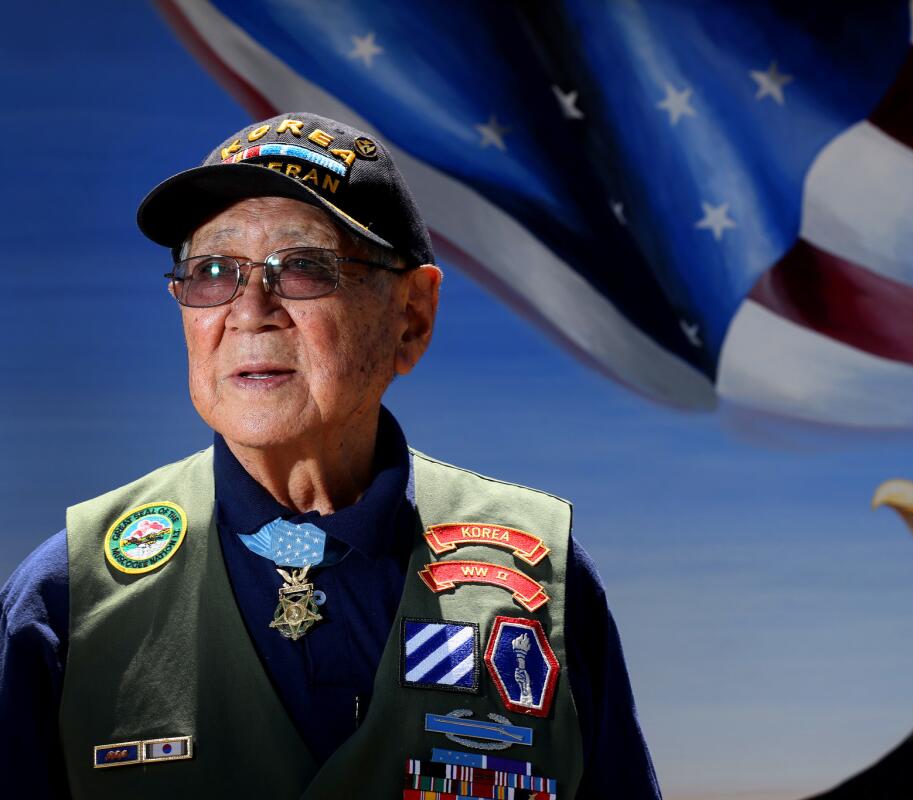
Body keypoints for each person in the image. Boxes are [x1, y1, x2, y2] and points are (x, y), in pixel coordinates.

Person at [0, 112, 660, 799]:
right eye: (212, 271)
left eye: (304, 268)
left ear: (413, 316)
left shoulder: (545, 577)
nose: (249, 310)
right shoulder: (66, 598)